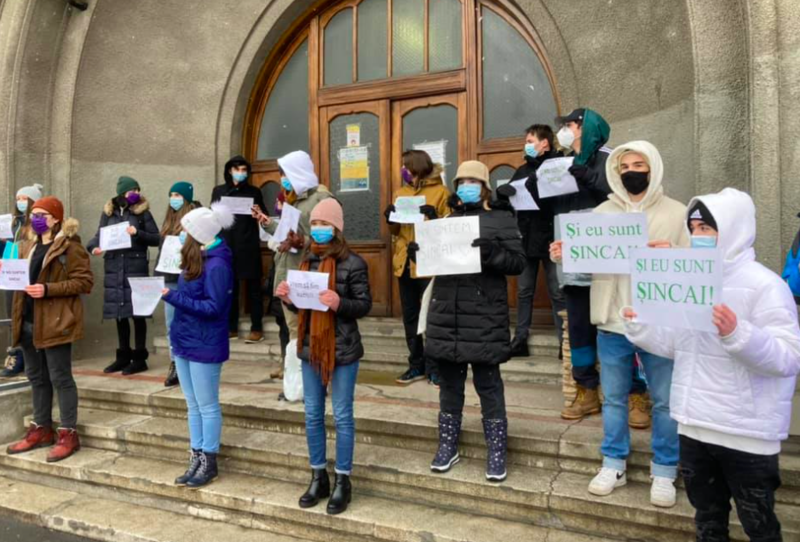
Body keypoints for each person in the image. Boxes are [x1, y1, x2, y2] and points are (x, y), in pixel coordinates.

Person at [623, 188, 800, 539]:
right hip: (695, 425)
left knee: (759, 526)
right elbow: (675, 345)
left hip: (747, 434)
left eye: (706, 227)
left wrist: (738, 333)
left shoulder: (765, 286)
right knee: (707, 520)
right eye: (693, 228)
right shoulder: (689, 280)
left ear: (733, 228)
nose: (698, 235)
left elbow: (788, 358)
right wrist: (639, 324)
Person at [553, 141, 687, 507]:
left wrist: (675, 254)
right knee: (613, 398)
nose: (631, 171)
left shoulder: (677, 213)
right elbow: (588, 259)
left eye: (638, 165)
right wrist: (566, 253)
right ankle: (613, 463)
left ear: (653, 167)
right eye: (624, 166)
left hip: (659, 321)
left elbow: (699, 265)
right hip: (613, 320)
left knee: (664, 401)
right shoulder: (602, 212)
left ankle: (665, 469)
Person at [419, 160, 526, 482]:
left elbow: (517, 264)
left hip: (483, 314)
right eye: (461, 182)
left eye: (473, 181)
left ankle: (497, 450)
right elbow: (434, 265)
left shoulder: (501, 219)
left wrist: (492, 253)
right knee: (450, 385)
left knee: (488, 385)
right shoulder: (447, 221)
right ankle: (447, 445)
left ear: (484, 187)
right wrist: (419, 253)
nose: (466, 187)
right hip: (447, 313)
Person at [549, 108, 649, 428]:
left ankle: (636, 392)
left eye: (570, 124)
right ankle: (586, 389)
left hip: (610, 258)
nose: (565, 130)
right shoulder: (561, 162)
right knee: (579, 325)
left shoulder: (611, 159)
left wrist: (589, 177)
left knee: (621, 323)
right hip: (574, 253)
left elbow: (625, 196)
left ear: (585, 127)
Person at [275, 198, 372, 515]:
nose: (318, 229)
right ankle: (318, 476)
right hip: (310, 348)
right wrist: (288, 299)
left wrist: (339, 303)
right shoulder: (306, 260)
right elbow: (302, 305)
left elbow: (364, 305)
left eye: (324, 224)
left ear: (337, 228)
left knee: (342, 415)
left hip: (342, 348)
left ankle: (343, 479)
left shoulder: (354, 263)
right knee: (312, 414)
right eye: (315, 224)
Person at [5, 196, 93, 462]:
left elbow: (84, 282)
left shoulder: (69, 247)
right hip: (28, 322)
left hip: (55, 323)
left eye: (42, 215)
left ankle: (68, 433)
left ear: (56, 218)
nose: (36, 219)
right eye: (34, 215)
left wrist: (48, 289)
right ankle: (41, 428)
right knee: (37, 377)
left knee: (60, 377)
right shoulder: (28, 245)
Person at [164, 203, 235, 489]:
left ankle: (209, 460)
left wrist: (172, 296)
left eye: (185, 229)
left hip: (205, 342)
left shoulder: (217, 265)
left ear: (198, 234)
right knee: (192, 404)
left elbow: (214, 308)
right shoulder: (197, 258)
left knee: (207, 405)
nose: (181, 233)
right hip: (185, 339)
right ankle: (195, 455)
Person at [256, 151, 331, 400]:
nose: (282, 179)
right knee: (294, 334)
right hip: (288, 275)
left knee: (310, 333)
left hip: (308, 276)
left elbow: (329, 237)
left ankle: (314, 386)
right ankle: (297, 386)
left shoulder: (321, 199)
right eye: (281, 174)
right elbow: (286, 234)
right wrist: (266, 222)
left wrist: (302, 241)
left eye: (285, 173)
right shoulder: (293, 199)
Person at [495, 125, 566, 358]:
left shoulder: (557, 167)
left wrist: (537, 185)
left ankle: (564, 340)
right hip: (526, 239)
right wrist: (503, 195)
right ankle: (520, 339)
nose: (526, 145)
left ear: (544, 142)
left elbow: (561, 199)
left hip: (552, 238)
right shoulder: (523, 170)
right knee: (524, 291)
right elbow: (511, 204)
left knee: (557, 292)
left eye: (529, 140)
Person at [384, 150, 450, 386]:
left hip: (429, 263)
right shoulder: (400, 193)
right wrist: (390, 219)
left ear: (417, 166)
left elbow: (450, 228)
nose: (402, 170)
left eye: (405, 165)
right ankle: (416, 365)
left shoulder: (441, 192)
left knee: (431, 317)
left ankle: (435, 368)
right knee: (410, 317)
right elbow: (397, 231)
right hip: (404, 263)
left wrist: (433, 216)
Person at [87, 176, 160, 375]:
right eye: (131, 190)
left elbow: (156, 238)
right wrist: (93, 248)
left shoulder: (143, 212)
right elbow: (99, 236)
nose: (136, 193)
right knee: (120, 314)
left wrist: (137, 233)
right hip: (114, 267)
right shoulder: (108, 213)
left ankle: (139, 358)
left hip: (135, 267)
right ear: (122, 193)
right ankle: (123, 356)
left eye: (137, 189)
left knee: (138, 314)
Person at [211, 155, 267, 344]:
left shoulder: (254, 191)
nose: (240, 173)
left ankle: (257, 328)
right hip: (227, 246)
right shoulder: (219, 191)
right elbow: (213, 217)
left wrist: (259, 213)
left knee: (254, 290)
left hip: (249, 246)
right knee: (230, 289)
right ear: (230, 170)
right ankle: (231, 327)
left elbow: (264, 217)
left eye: (244, 170)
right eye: (237, 169)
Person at [156, 181, 201, 387]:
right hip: (170, 277)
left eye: (178, 195)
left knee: (189, 320)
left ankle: (192, 360)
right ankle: (175, 363)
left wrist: (189, 241)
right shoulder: (168, 219)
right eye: (171, 194)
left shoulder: (195, 217)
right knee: (171, 323)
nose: (174, 199)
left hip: (189, 276)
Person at [0, 183, 42, 377]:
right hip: (11, 272)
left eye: (24, 198)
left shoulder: (38, 222)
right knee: (13, 313)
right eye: (18, 199)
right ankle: (16, 354)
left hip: (30, 272)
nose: (20, 202)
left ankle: (32, 354)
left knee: (29, 314)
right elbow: (7, 250)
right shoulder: (13, 223)